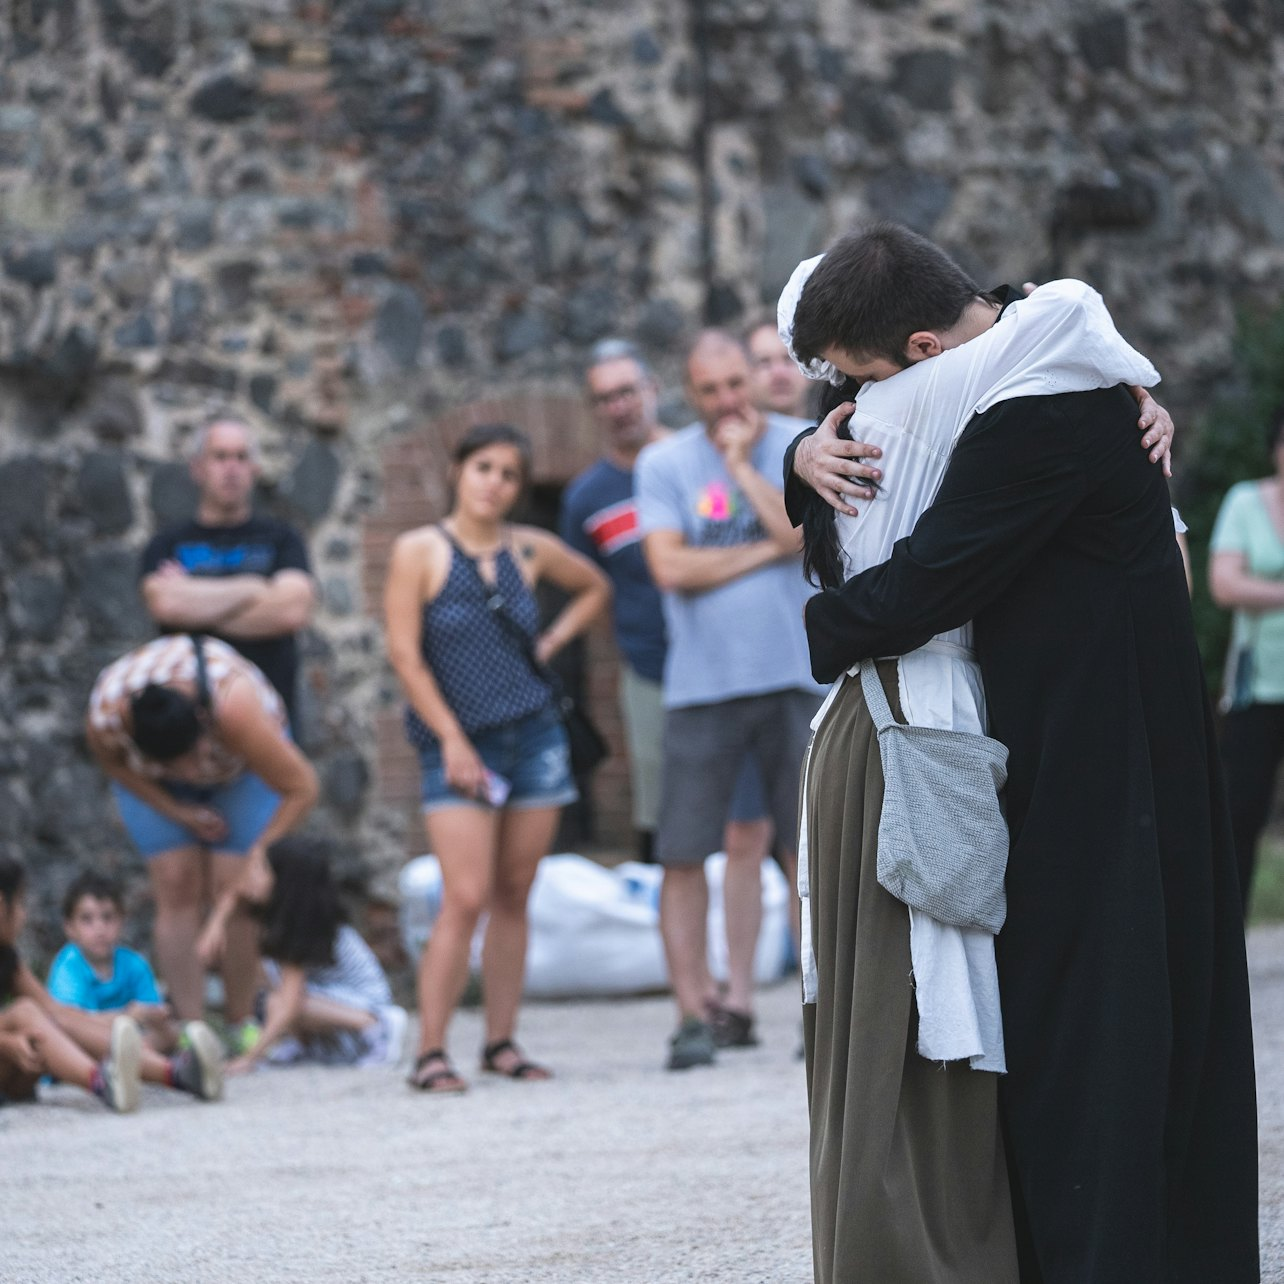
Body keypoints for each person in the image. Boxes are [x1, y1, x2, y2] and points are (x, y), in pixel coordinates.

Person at [788, 225, 1258, 1282]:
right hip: (1076, 729)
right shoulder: (1032, 355)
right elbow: (873, 419)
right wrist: (800, 451)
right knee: (1091, 1005)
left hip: (1105, 747)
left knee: (1099, 1017)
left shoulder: (1045, 408)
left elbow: (929, 579)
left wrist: (821, 631)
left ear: (922, 351)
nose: (865, 408)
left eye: (870, 385)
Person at [385, 423, 610, 1093]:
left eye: (510, 474)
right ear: (457, 470)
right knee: (464, 896)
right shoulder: (419, 550)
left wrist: (552, 641)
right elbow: (405, 657)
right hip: (460, 743)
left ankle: (501, 1042)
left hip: (536, 737)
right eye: (484, 467)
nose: (495, 483)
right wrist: (452, 739)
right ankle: (430, 1051)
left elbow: (595, 587)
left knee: (515, 893)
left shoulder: (528, 549)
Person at [636, 330, 819, 1069]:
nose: (725, 402)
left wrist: (743, 467)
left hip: (798, 678)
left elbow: (801, 534)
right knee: (683, 853)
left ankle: (819, 1011)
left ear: (754, 378)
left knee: (810, 853)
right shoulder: (663, 463)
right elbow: (669, 568)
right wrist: (768, 550)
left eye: (735, 385)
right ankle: (692, 1015)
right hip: (702, 688)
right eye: (709, 391)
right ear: (690, 393)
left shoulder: (801, 443)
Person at [86, 634, 319, 1045]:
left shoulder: (234, 705)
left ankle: (240, 1023)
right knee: (176, 881)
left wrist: (259, 854)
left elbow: (303, 787)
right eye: (180, 767)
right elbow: (116, 767)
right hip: (155, 786)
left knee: (236, 885)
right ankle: (191, 1033)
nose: (193, 774)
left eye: (194, 758)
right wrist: (176, 810)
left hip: (242, 773)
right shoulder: (107, 715)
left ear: (202, 721)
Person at [560, 339, 669, 861]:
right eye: (604, 398)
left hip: (728, 662)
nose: (619, 407)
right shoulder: (586, 498)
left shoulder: (700, 462)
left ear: (653, 389)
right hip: (649, 670)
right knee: (659, 806)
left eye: (627, 391)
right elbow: (589, 589)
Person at [0, 856, 223, 1111]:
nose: (24, 914)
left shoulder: (8, 957)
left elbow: (57, 1012)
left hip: (14, 1076)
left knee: (52, 1015)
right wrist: (6, 1043)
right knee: (25, 1012)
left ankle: (178, 1074)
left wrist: (120, 1036)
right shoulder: (70, 964)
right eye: (20, 904)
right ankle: (102, 1082)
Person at [140, 417, 316, 727]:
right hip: (190, 727)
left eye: (241, 457)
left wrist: (194, 607)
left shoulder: (282, 538)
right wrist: (254, 589)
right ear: (198, 468)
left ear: (255, 468)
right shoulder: (168, 543)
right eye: (220, 456)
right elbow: (166, 605)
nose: (232, 468)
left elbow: (291, 611)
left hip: (270, 721)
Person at [218, 837, 407, 1074]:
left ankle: (379, 1025)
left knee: (280, 1000)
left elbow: (290, 1003)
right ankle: (304, 1045)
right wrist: (216, 926)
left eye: (260, 869)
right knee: (272, 994)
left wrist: (250, 1058)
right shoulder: (281, 919)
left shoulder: (302, 926)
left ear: (283, 881)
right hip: (335, 1012)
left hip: (365, 1004)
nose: (250, 876)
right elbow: (236, 891)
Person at [1209, 406, 1284, 917]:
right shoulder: (1245, 501)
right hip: (1257, 685)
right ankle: (1230, 931)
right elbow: (1224, 584)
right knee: (1242, 813)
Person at [48, 869, 178, 1053]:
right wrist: (126, 1016)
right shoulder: (68, 967)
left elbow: (152, 1012)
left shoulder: (135, 964)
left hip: (134, 1042)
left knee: (169, 1033)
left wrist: (157, 1018)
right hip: (83, 1047)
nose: (100, 929)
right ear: (69, 927)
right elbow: (71, 1023)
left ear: (122, 921)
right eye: (87, 919)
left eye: (107, 917)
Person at [747, 315, 815, 420]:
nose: (779, 373)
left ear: (812, 368)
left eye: (789, 359)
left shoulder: (837, 428)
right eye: (764, 362)